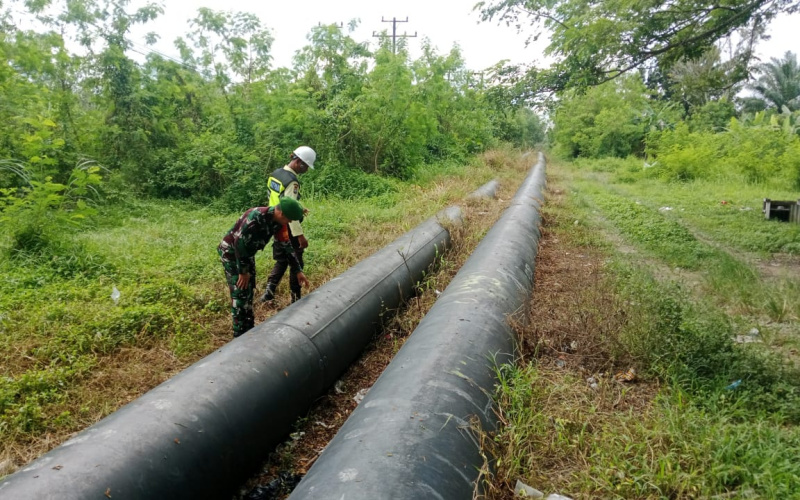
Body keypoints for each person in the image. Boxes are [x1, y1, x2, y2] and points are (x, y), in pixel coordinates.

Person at [218, 197, 310, 337]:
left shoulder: (279, 223)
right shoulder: (256, 218)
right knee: (240, 293)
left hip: (247, 254)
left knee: (249, 290)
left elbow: (286, 246)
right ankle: (239, 336)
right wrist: (243, 271)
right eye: (289, 219)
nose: (290, 222)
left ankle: (249, 330)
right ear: (281, 214)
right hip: (232, 254)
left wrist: (298, 270)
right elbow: (239, 243)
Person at [260, 146, 316, 304]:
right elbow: (291, 214)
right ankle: (296, 298)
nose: (306, 171)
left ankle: (268, 293)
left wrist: (299, 208)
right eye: (306, 167)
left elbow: (279, 200)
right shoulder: (292, 182)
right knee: (296, 260)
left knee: (282, 260)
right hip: (288, 226)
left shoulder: (275, 174)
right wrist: (300, 236)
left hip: (275, 221)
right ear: (299, 162)